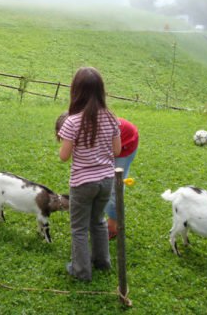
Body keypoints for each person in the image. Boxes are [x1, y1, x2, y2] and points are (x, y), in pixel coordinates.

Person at [57, 67, 121, 281]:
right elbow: (117, 150)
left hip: (82, 183)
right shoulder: (111, 118)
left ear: (76, 91)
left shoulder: (72, 121)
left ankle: (81, 270)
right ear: (101, 91)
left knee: (79, 228)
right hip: (106, 180)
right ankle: (103, 262)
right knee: (98, 221)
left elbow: (64, 156)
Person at [56, 114, 138, 240]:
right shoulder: (85, 130)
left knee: (115, 187)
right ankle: (97, 216)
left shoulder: (93, 131)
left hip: (127, 143)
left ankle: (112, 226)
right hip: (113, 144)